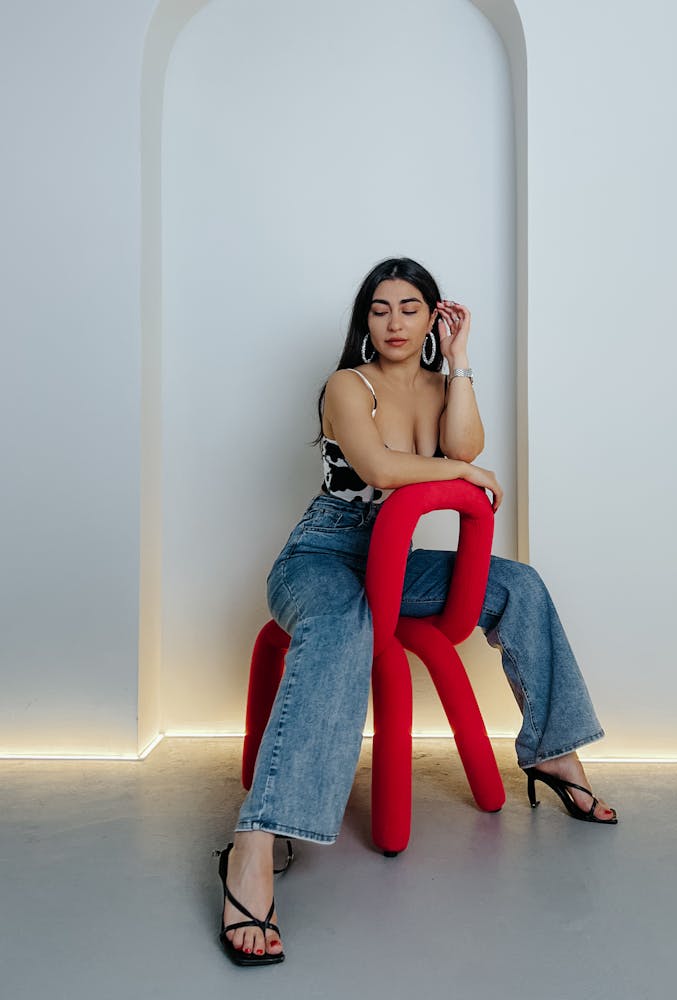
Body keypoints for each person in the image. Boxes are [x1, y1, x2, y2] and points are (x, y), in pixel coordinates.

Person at [217, 257, 616, 966]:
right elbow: (380, 470)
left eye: (410, 308)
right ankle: (254, 842)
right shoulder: (349, 384)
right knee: (342, 624)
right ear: (363, 319)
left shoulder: (440, 386)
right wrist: (462, 474)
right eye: (379, 308)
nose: (393, 322)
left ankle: (553, 754)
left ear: (433, 316)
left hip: (393, 562)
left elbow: (465, 445)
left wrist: (459, 363)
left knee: (516, 585)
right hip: (323, 556)